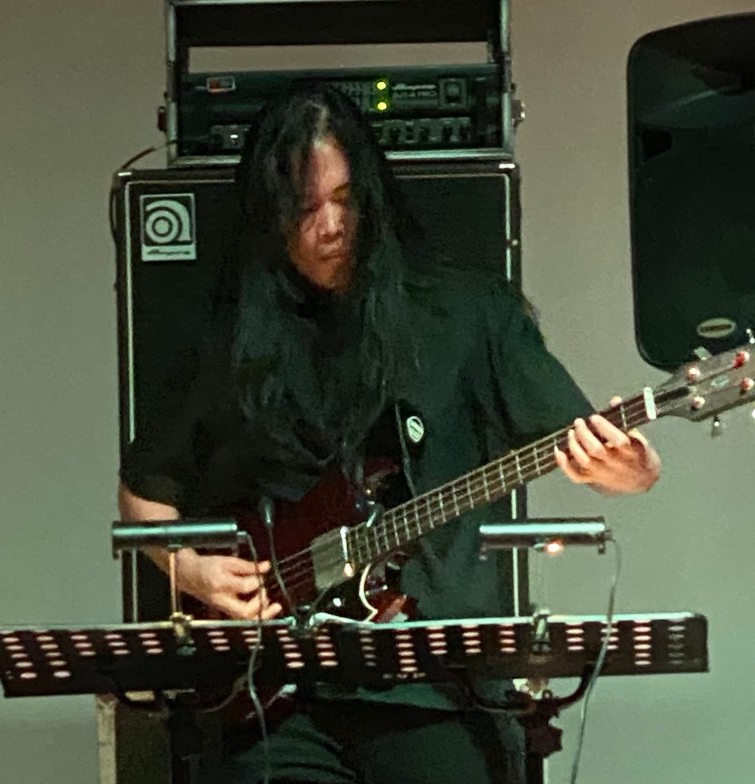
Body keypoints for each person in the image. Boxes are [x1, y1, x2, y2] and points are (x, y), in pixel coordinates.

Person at [118, 84, 660, 784]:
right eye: (305, 207)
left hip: (434, 687)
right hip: (278, 694)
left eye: (345, 199)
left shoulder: (466, 313)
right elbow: (144, 494)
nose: (330, 226)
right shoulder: (231, 340)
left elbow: (585, 443)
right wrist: (190, 571)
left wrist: (631, 469)